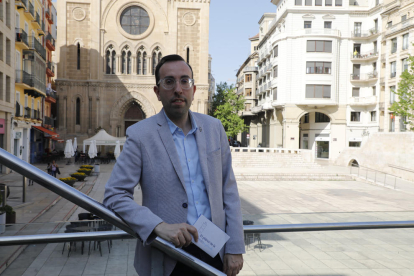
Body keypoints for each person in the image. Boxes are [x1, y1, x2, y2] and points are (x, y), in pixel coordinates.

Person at [104, 54, 245, 276]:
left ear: (193, 89)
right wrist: (158, 226)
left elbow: (229, 191)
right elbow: (114, 195)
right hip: (167, 253)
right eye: (169, 82)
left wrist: (235, 247)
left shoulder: (214, 128)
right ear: (157, 92)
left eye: (184, 81)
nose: (178, 88)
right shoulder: (140, 135)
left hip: (216, 251)